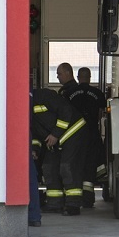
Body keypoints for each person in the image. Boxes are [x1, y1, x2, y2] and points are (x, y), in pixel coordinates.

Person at [31, 88, 87, 216]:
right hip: (54, 139)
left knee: (67, 167)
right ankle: (54, 204)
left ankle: (73, 205)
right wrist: (35, 149)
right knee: (49, 167)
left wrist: (56, 134)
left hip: (73, 131)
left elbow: (65, 111)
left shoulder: (44, 95)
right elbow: (35, 133)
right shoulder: (26, 108)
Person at [65, 67, 107, 208]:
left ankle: (74, 198)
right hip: (92, 133)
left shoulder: (69, 93)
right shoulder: (98, 94)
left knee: (76, 164)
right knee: (90, 166)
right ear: (90, 77)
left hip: (74, 134)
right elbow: (102, 113)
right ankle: (88, 199)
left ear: (78, 77)